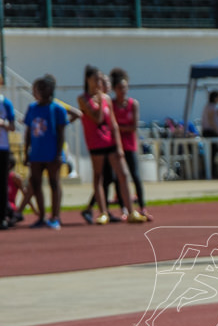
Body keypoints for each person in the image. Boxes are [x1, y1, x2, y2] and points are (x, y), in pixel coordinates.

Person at [79, 66, 144, 224]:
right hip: (95, 142)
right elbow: (98, 119)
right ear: (88, 80)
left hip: (110, 142)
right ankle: (103, 212)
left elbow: (112, 124)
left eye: (101, 79)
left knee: (123, 174)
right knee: (99, 176)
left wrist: (119, 146)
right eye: (96, 79)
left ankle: (131, 211)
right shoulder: (83, 99)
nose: (99, 82)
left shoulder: (106, 98)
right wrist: (100, 102)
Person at [23, 75, 69, 229]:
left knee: (54, 183)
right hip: (36, 153)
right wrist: (26, 152)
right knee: (36, 184)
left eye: (39, 89)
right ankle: (41, 216)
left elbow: (61, 133)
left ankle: (55, 216)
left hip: (52, 154)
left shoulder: (57, 109)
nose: (36, 92)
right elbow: (28, 131)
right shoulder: (32, 108)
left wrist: (58, 154)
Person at [110, 68, 152, 220]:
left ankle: (142, 207)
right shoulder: (112, 104)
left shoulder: (133, 104)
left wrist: (118, 128)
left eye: (125, 87)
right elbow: (110, 125)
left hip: (130, 145)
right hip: (115, 145)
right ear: (115, 89)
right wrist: (118, 129)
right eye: (120, 88)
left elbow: (133, 127)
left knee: (135, 176)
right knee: (118, 177)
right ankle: (124, 209)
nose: (123, 91)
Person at [0, 73, 15, 229]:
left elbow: (12, 126)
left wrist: (3, 123)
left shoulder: (5, 103)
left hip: (2, 147)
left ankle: (3, 216)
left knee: (3, 183)